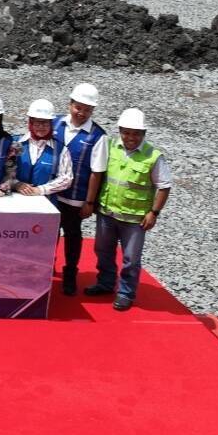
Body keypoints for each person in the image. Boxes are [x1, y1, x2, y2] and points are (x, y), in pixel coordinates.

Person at [87, 108, 171, 311]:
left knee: (131, 259)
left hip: (135, 219)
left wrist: (154, 213)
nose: (130, 137)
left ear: (143, 134)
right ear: (120, 130)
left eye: (135, 133)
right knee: (102, 251)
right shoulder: (110, 146)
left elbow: (164, 185)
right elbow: (98, 173)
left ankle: (125, 293)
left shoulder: (153, 156)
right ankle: (106, 283)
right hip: (107, 213)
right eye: (126, 132)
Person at [53, 83, 108, 296]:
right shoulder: (56, 123)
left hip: (75, 198)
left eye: (87, 109)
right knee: (49, 234)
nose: (81, 112)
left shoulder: (98, 136)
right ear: (70, 104)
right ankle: (47, 267)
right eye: (78, 107)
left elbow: (97, 172)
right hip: (52, 194)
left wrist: (90, 202)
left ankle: (70, 274)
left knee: (73, 236)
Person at [1, 99, 73, 202]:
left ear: (51, 124)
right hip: (16, 202)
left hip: (47, 205)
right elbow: (4, 171)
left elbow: (67, 179)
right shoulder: (16, 144)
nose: (41, 127)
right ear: (30, 122)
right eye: (37, 123)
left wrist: (40, 190)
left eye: (45, 123)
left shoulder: (61, 149)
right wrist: (16, 184)